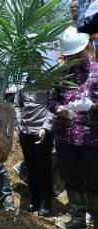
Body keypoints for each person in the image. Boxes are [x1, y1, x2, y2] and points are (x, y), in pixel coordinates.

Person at [49, 27, 98, 229]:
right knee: (71, 178)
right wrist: (59, 109)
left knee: (95, 180)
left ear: (87, 47)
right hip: (66, 137)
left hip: (92, 138)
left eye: (76, 55)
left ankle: (95, 219)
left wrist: (93, 106)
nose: (73, 60)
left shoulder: (96, 72)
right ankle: (77, 219)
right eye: (69, 56)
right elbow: (51, 101)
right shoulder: (60, 74)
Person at [13, 68, 55, 217]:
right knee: (31, 167)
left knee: (44, 168)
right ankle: (34, 200)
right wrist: (18, 122)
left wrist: (46, 126)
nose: (32, 67)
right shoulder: (22, 87)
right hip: (26, 132)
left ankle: (45, 203)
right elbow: (17, 106)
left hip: (42, 132)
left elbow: (53, 108)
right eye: (29, 65)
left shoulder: (48, 86)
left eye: (35, 63)